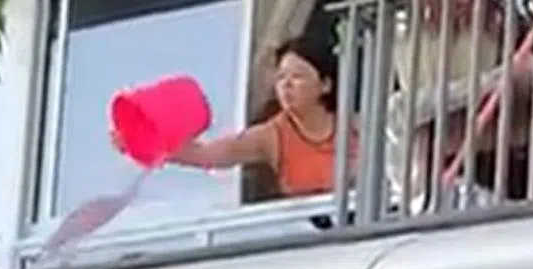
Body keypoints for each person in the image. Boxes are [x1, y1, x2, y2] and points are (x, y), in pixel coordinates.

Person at [112, 36, 355, 198]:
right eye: (281, 77)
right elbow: (209, 154)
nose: (286, 85)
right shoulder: (272, 135)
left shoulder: (358, 127)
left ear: (325, 84)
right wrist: (144, 141)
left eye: (297, 76)